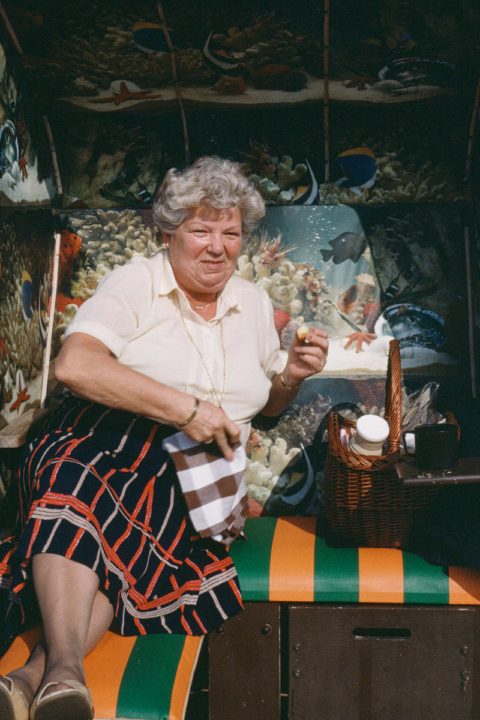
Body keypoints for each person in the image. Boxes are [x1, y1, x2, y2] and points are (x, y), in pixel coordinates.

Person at [0, 156, 328, 720]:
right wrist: (187, 410)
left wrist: (292, 375)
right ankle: (65, 673)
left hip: (196, 478)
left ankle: (32, 678)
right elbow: (75, 367)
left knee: (129, 553)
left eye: (231, 233)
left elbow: (268, 405)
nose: (217, 247)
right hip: (101, 439)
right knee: (80, 484)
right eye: (201, 230)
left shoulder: (252, 302)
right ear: (168, 233)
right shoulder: (138, 281)